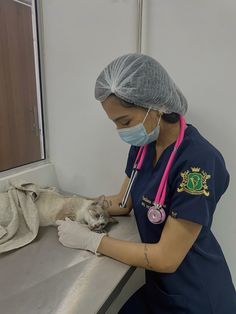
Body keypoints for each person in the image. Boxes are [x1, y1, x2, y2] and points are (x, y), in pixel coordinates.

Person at [56, 53, 236, 313]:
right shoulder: (143, 146)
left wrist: (92, 242)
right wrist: (76, 205)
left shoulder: (199, 163)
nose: (120, 131)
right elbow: (124, 200)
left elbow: (167, 258)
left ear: (156, 105)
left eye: (125, 121)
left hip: (197, 295)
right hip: (160, 287)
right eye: (115, 123)